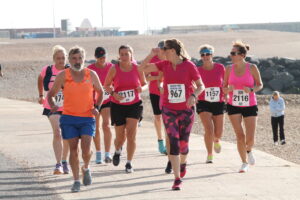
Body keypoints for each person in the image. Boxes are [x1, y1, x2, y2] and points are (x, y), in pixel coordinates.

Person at [141, 39, 204, 190]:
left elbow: (201, 86)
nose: (162, 51)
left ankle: (183, 162)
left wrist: (193, 95)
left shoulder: (189, 65)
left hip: (186, 109)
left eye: (165, 49)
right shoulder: (164, 65)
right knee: (174, 142)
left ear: (173, 51)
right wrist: (151, 54)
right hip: (169, 109)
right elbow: (141, 69)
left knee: (184, 145)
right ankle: (176, 179)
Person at [47, 46, 104, 192]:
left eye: (80, 58)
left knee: (86, 150)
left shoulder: (91, 74)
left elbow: (100, 92)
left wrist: (97, 107)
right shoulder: (63, 75)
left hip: (87, 117)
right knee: (73, 150)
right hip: (69, 118)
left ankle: (86, 167)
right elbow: (51, 93)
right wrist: (53, 104)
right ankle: (76, 181)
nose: (77, 61)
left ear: (84, 59)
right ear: (69, 60)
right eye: (74, 58)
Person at [104, 45, 147, 173]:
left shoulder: (137, 68)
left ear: (131, 55)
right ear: (119, 55)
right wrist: (113, 94)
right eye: (121, 54)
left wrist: (141, 89)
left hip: (134, 105)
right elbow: (106, 85)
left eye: (126, 54)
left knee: (131, 135)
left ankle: (129, 163)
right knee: (120, 136)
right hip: (118, 105)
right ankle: (117, 150)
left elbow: (145, 84)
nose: (123, 57)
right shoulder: (114, 69)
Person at [223, 41, 263, 173]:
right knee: (240, 136)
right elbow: (223, 88)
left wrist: (251, 90)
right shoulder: (228, 69)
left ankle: (249, 150)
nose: (231, 55)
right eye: (231, 53)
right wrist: (228, 89)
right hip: (233, 104)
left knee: (250, 138)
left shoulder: (252, 68)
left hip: (250, 105)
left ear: (242, 55)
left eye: (233, 53)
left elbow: (260, 85)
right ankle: (244, 162)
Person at [37, 45, 69, 175]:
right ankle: (58, 164)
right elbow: (40, 78)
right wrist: (41, 95)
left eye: (63, 58)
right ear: (54, 59)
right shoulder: (48, 70)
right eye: (58, 58)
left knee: (67, 134)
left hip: (68, 107)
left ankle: (65, 161)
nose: (61, 61)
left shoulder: (71, 71)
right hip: (52, 105)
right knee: (57, 132)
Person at [196, 45, 225, 164]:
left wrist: (227, 94)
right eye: (203, 55)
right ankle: (209, 154)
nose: (205, 56)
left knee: (218, 133)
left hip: (218, 101)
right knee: (209, 129)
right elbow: (192, 83)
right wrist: (194, 94)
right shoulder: (198, 70)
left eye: (207, 54)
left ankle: (216, 140)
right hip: (203, 102)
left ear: (212, 55)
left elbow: (226, 82)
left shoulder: (220, 67)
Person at [88, 47, 113, 164]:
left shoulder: (111, 67)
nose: (102, 59)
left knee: (106, 125)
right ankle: (98, 153)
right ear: (95, 57)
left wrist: (112, 88)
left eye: (104, 57)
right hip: (94, 101)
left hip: (107, 100)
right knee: (96, 127)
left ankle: (107, 154)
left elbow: (116, 81)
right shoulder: (90, 69)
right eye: (99, 58)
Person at [146, 41, 167, 155]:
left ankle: (169, 141)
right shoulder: (152, 60)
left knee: (167, 117)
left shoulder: (169, 59)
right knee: (158, 117)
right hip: (154, 92)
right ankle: (160, 140)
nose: (161, 50)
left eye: (164, 48)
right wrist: (157, 77)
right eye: (160, 48)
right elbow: (145, 78)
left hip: (167, 92)